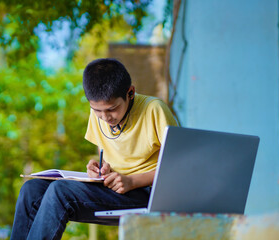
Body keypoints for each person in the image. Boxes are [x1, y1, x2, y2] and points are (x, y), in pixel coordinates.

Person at [10, 58, 177, 239]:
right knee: (32, 190)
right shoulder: (98, 114)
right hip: (114, 190)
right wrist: (101, 168)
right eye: (97, 110)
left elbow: (178, 166)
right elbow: (106, 154)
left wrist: (132, 181)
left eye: (112, 109)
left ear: (130, 93)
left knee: (60, 191)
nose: (105, 117)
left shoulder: (154, 109)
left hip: (148, 194)